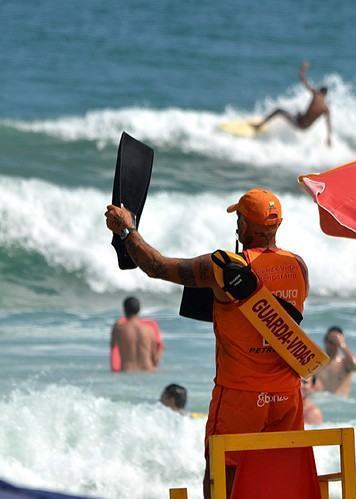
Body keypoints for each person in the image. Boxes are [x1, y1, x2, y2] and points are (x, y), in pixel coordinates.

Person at [105, 187, 319, 499]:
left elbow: (157, 267)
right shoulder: (298, 267)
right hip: (286, 397)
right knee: (275, 476)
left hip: (239, 396)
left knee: (221, 476)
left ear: (243, 225)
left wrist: (126, 229)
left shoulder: (224, 267)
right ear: (278, 225)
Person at [253, 61, 332, 146]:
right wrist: (328, 138)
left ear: (320, 91)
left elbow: (304, 80)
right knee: (297, 110)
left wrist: (302, 69)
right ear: (326, 95)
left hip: (299, 124)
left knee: (278, 110)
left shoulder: (316, 94)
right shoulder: (326, 108)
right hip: (305, 128)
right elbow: (328, 124)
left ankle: (259, 126)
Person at [110, 296, 163, 372]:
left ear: (124, 309)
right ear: (139, 309)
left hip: (127, 372)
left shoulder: (118, 330)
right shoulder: (149, 330)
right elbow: (155, 361)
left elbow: (113, 352)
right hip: (148, 372)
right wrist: (160, 350)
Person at [314, 326, 356, 396]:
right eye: (330, 341)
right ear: (325, 340)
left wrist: (342, 344)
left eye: (335, 342)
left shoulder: (344, 363)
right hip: (320, 403)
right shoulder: (316, 362)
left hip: (339, 404)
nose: (332, 345)